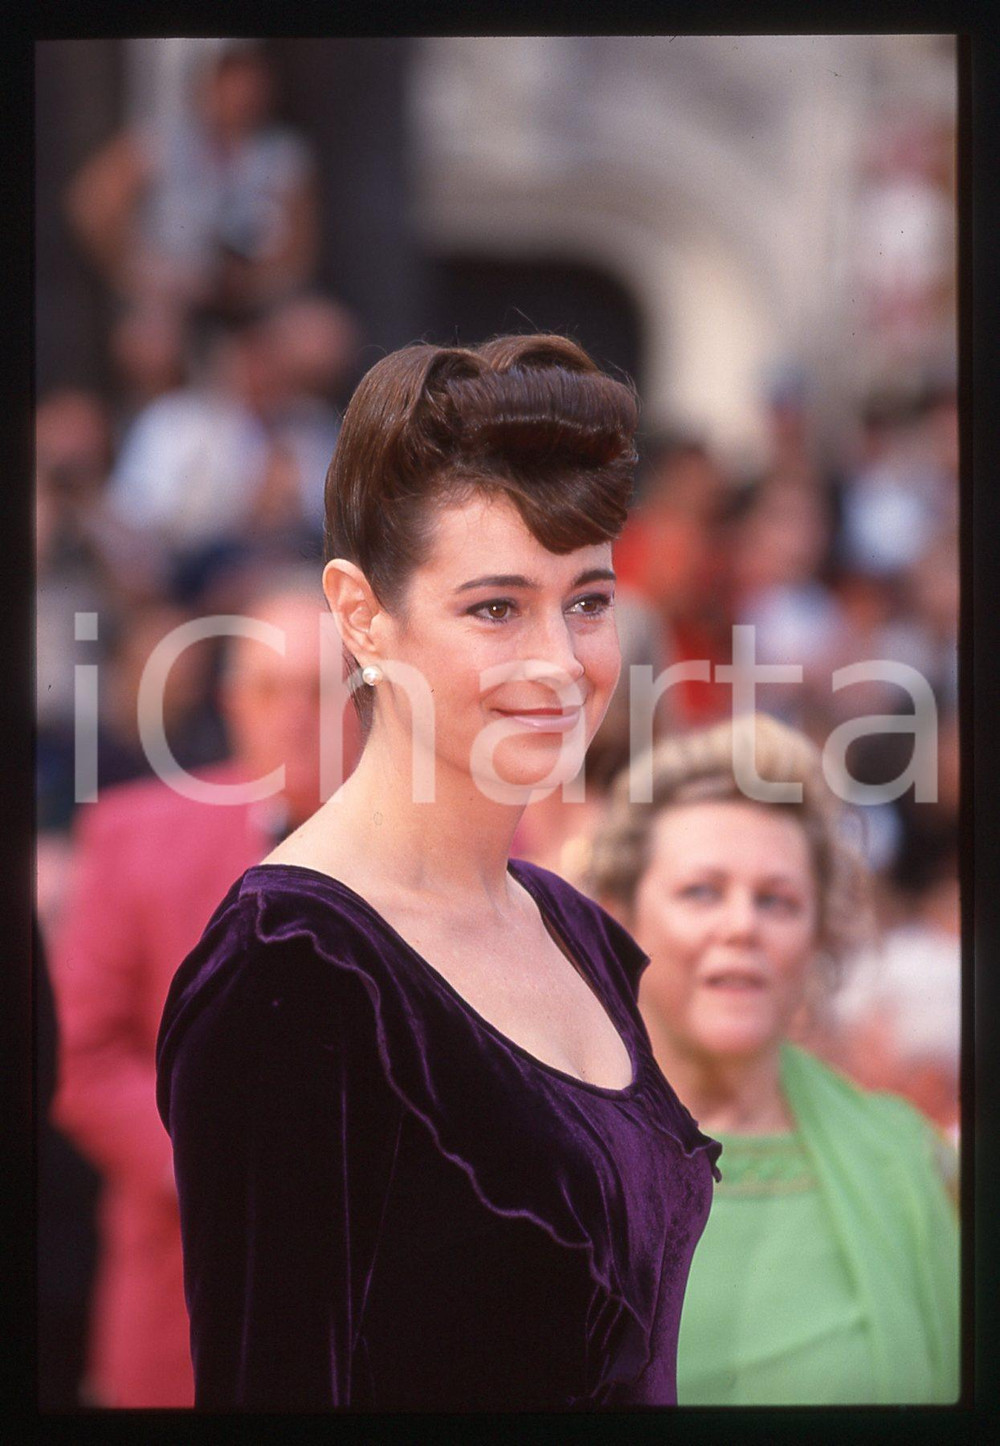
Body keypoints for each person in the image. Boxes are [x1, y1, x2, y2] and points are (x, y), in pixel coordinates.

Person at [155, 334, 722, 1411]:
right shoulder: (289, 971)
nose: (559, 662)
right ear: (363, 616)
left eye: (589, 601)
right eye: (495, 608)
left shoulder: (575, 928)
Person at [587, 712, 959, 1405]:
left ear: (819, 935)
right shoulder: (542, 1158)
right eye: (702, 891)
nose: (742, 925)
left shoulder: (907, 1161)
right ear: (618, 917)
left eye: (777, 900)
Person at [50, 578, 359, 1408]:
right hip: (181, 1293)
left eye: (325, 689)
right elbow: (78, 1052)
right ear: (232, 703)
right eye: (271, 689)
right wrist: (209, 1166)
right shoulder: (132, 833)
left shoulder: (453, 845)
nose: (297, 713)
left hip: (378, 1303)